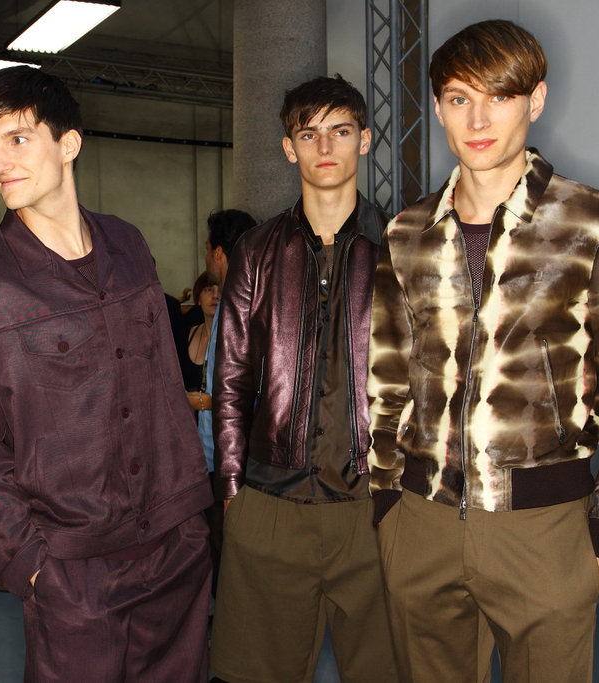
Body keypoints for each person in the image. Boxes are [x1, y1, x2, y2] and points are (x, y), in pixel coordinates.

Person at [367, 20, 599, 682]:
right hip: (420, 523)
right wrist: (388, 505)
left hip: (545, 530)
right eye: (459, 98)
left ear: (535, 101)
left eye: (499, 96)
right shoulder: (406, 233)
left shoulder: (591, 222)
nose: (477, 119)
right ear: (438, 107)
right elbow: (388, 383)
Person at [0, 66, 212, 682]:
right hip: (74, 574)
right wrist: (34, 568)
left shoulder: (129, 245)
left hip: (175, 546)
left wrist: (192, 524)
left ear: (69, 143)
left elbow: (163, 388)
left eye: (17, 139)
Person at [211, 75, 395, 682]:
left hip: (375, 505)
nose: (325, 147)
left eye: (340, 131)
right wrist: (232, 489)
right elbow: (232, 378)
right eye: (309, 134)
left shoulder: (404, 246)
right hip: (271, 502)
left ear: (364, 139)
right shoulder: (256, 250)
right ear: (289, 148)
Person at [187, 208, 256, 596]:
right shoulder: (245, 302)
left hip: (227, 461)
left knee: (227, 554)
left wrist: (198, 401)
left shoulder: (238, 307)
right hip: (221, 459)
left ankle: (231, 623)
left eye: (206, 249)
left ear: (217, 253)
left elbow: (238, 393)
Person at [184, 272, 219, 395]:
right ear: (198, 299)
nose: (215, 296)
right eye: (208, 290)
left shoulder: (234, 339)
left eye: (220, 290)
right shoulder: (186, 334)